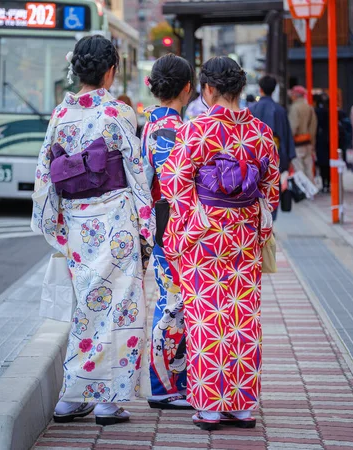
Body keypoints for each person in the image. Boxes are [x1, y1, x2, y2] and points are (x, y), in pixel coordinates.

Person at [31, 35, 153, 426]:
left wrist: (55, 227)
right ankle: (108, 402)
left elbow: (45, 176)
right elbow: (136, 173)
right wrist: (146, 227)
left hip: (78, 224)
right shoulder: (119, 113)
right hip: (116, 219)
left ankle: (72, 396)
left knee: (86, 308)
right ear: (110, 71)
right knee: (121, 308)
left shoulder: (59, 115)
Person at [160, 56, 280, 430]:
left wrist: (189, 225)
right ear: (239, 88)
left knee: (208, 317)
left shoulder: (197, 130)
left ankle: (211, 406)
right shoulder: (260, 132)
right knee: (243, 316)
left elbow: (174, 182)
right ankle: (242, 405)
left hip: (204, 237)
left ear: (208, 89)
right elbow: (270, 190)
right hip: (244, 235)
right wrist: (249, 219)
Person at [141, 54, 194, 410]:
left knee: (168, 299)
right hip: (181, 225)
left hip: (157, 224)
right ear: (187, 90)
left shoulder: (147, 127)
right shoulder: (184, 131)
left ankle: (169, 382)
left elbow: (144, 183)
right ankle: (164, 386)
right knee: (177, 303)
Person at [250, 75, 295, 215]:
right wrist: (289, 159)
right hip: (276, 157)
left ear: (260, 89)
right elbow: (286, 135)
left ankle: (259, 222)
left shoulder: (252, 109)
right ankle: (270, 224)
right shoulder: (280, 110)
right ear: (273, 89)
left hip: (255, 157)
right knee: (273, 190)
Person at [288, 85, 317, 181]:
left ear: (295, 95)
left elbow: (293, 127)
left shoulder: (295, 108)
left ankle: (303, 193)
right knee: (309, 169)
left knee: (299, 170)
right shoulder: (309, 107)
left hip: (297, 144)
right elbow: (313, 127)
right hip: (308, 143)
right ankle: (311, 193)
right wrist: (312, 143)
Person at [314, 93, 331, 193]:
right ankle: (328, 183)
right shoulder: (331, 111)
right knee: (329, 163)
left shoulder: (317, 111)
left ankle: (324, 183)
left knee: (321, 163)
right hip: (330, 140)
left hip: (320, 139)